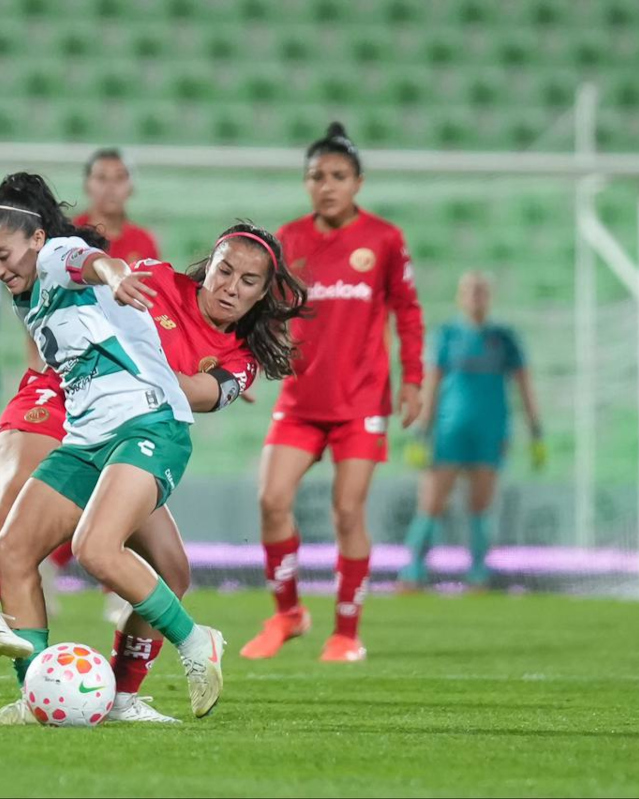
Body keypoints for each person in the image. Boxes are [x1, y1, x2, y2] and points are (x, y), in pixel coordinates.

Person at [0, 219, 305, 724]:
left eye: (248, 281)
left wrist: (134, 362)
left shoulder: (242, 358)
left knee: (146, 563)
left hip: (139, 425)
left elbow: (197, 393)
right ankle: (26, 680)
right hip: (74, 410)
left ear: (263, 293)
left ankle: (133, 686)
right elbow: (97, 278)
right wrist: (106, 276)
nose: (230, 287)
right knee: (15, 540)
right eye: (224, 271)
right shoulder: (157, 277)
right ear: (209, 266)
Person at [242, 122, 425, 664]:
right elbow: (261, 311)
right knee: (271, 500)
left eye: (338, 176)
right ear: (306, 183)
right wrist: (242, 366)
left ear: (358, 183)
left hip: (361, 401)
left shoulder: (384, 239)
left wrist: (414, 380)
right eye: (317, 176)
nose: (327, 186)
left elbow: (407, 312)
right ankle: (288, 614)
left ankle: (346, 633)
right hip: (301, 400)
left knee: (348, 510)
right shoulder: (288, 239)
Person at [54, 147, 161, 618]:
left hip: (127, 378)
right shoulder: (68, 238)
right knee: (77, 476)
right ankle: (44, 565)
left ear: (130, 185)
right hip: (76, 374)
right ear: (88, 185)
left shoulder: (143, 241)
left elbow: (156, 311)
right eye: (101, 177)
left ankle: (116, 585)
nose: (110, 186)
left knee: (126, 477)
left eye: (119, 177)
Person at [399, 272, 544, 590]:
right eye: (470, 290)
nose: (475, 296)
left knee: (480, 503)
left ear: (489, 297)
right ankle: (413, 570)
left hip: (490, 431)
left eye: (481, 291)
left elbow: (524, 384)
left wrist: (536, 431)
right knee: (432, 501)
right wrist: (422, 431)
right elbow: (432, 383)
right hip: (448, 431)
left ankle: (478, 572)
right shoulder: (448, 335)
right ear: (460, 297)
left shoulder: (504, 339)